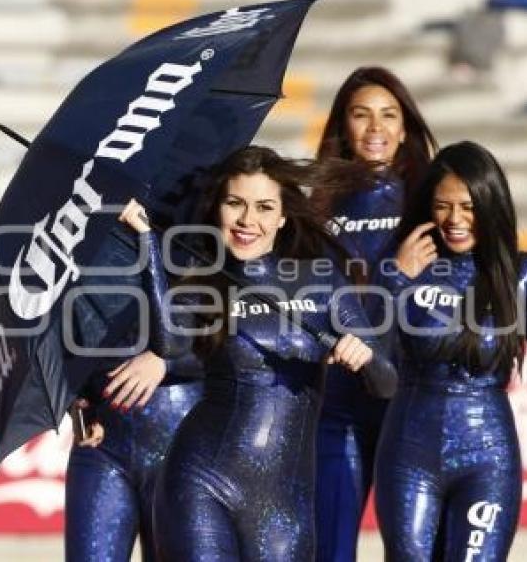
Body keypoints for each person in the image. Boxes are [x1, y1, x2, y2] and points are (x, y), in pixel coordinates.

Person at [118, 146, 398, 561]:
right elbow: (170, 345)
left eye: (264, 207)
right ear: (218, 208)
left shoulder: (319, 278)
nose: (248, 221)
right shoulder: (201, 278)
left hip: (285, 503)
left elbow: (386, 383)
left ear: (283, 216)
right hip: (199, 481)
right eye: (235, 203)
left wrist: (365, 356)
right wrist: (146, 243)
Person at [373, 141, 527, 560]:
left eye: (468, 206)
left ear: (490, 204)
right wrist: (395, 278)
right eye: (443, 206)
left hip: (488, 458)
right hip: (408, 451)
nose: (455, 220)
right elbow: (366, 350)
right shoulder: (404, 264)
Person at [310, 66, 437, 561]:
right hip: (337, 405)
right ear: (344, 126)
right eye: (361, 115)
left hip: (409, 405)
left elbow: (438, 306)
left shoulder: (430, 203)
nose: (376, 128)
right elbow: (323, 304)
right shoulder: (316, 205)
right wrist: (394, 272)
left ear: (406, 128)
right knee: (331, 551)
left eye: (389, 115)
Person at [63, 231, 204, 562]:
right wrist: (76, 396)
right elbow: (63, 337)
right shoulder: (82, 235)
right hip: (102, 446)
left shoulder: (198, 228)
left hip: (183, 444)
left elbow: (240, 340)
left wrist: (165, 359)